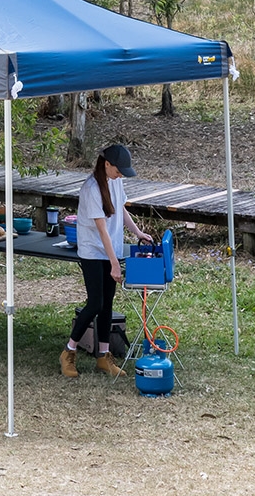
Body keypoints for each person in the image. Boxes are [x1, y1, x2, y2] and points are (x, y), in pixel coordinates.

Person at [61, 144, 153, 378]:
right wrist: (114, 263)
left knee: (107, 305)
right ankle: (68, 352)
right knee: (95, 303)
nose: (121, 174)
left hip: (111, 249)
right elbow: (102, 231)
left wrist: (138, 233)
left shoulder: (116, 180)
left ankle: (103, 356)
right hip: (93, 251)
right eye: (118, 170)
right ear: (106, 164)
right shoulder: (91, 189)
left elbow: (120, 209)